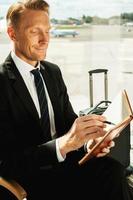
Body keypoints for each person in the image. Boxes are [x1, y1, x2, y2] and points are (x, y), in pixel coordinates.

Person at [0, 0, 132, 199]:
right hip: (33, 177)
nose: (45, 39)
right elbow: (6, 162)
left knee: (113, 169)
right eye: (35, 31)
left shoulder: (52, 72)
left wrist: (89, 143)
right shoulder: (2, 83)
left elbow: (68, 124)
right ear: (12, 34)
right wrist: (63, 145)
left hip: (66, 165)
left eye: (48, 30)